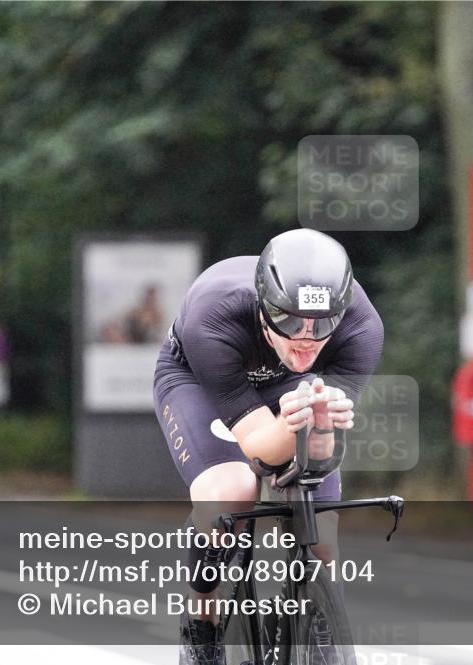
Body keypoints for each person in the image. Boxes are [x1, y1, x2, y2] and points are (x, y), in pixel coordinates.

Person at [153, 228, 384, 665]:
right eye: (292, 321)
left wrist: (320, 423)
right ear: (263, 309)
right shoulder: (214, 315)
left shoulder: (361, 327)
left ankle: (318, 625)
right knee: (233, 489)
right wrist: (293, 422)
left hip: (292, 389)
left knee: (322, 535)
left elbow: (317, 454)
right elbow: (261, 448)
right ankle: (201, 620)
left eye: (322, 325)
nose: (306, 339)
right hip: (199, 380)